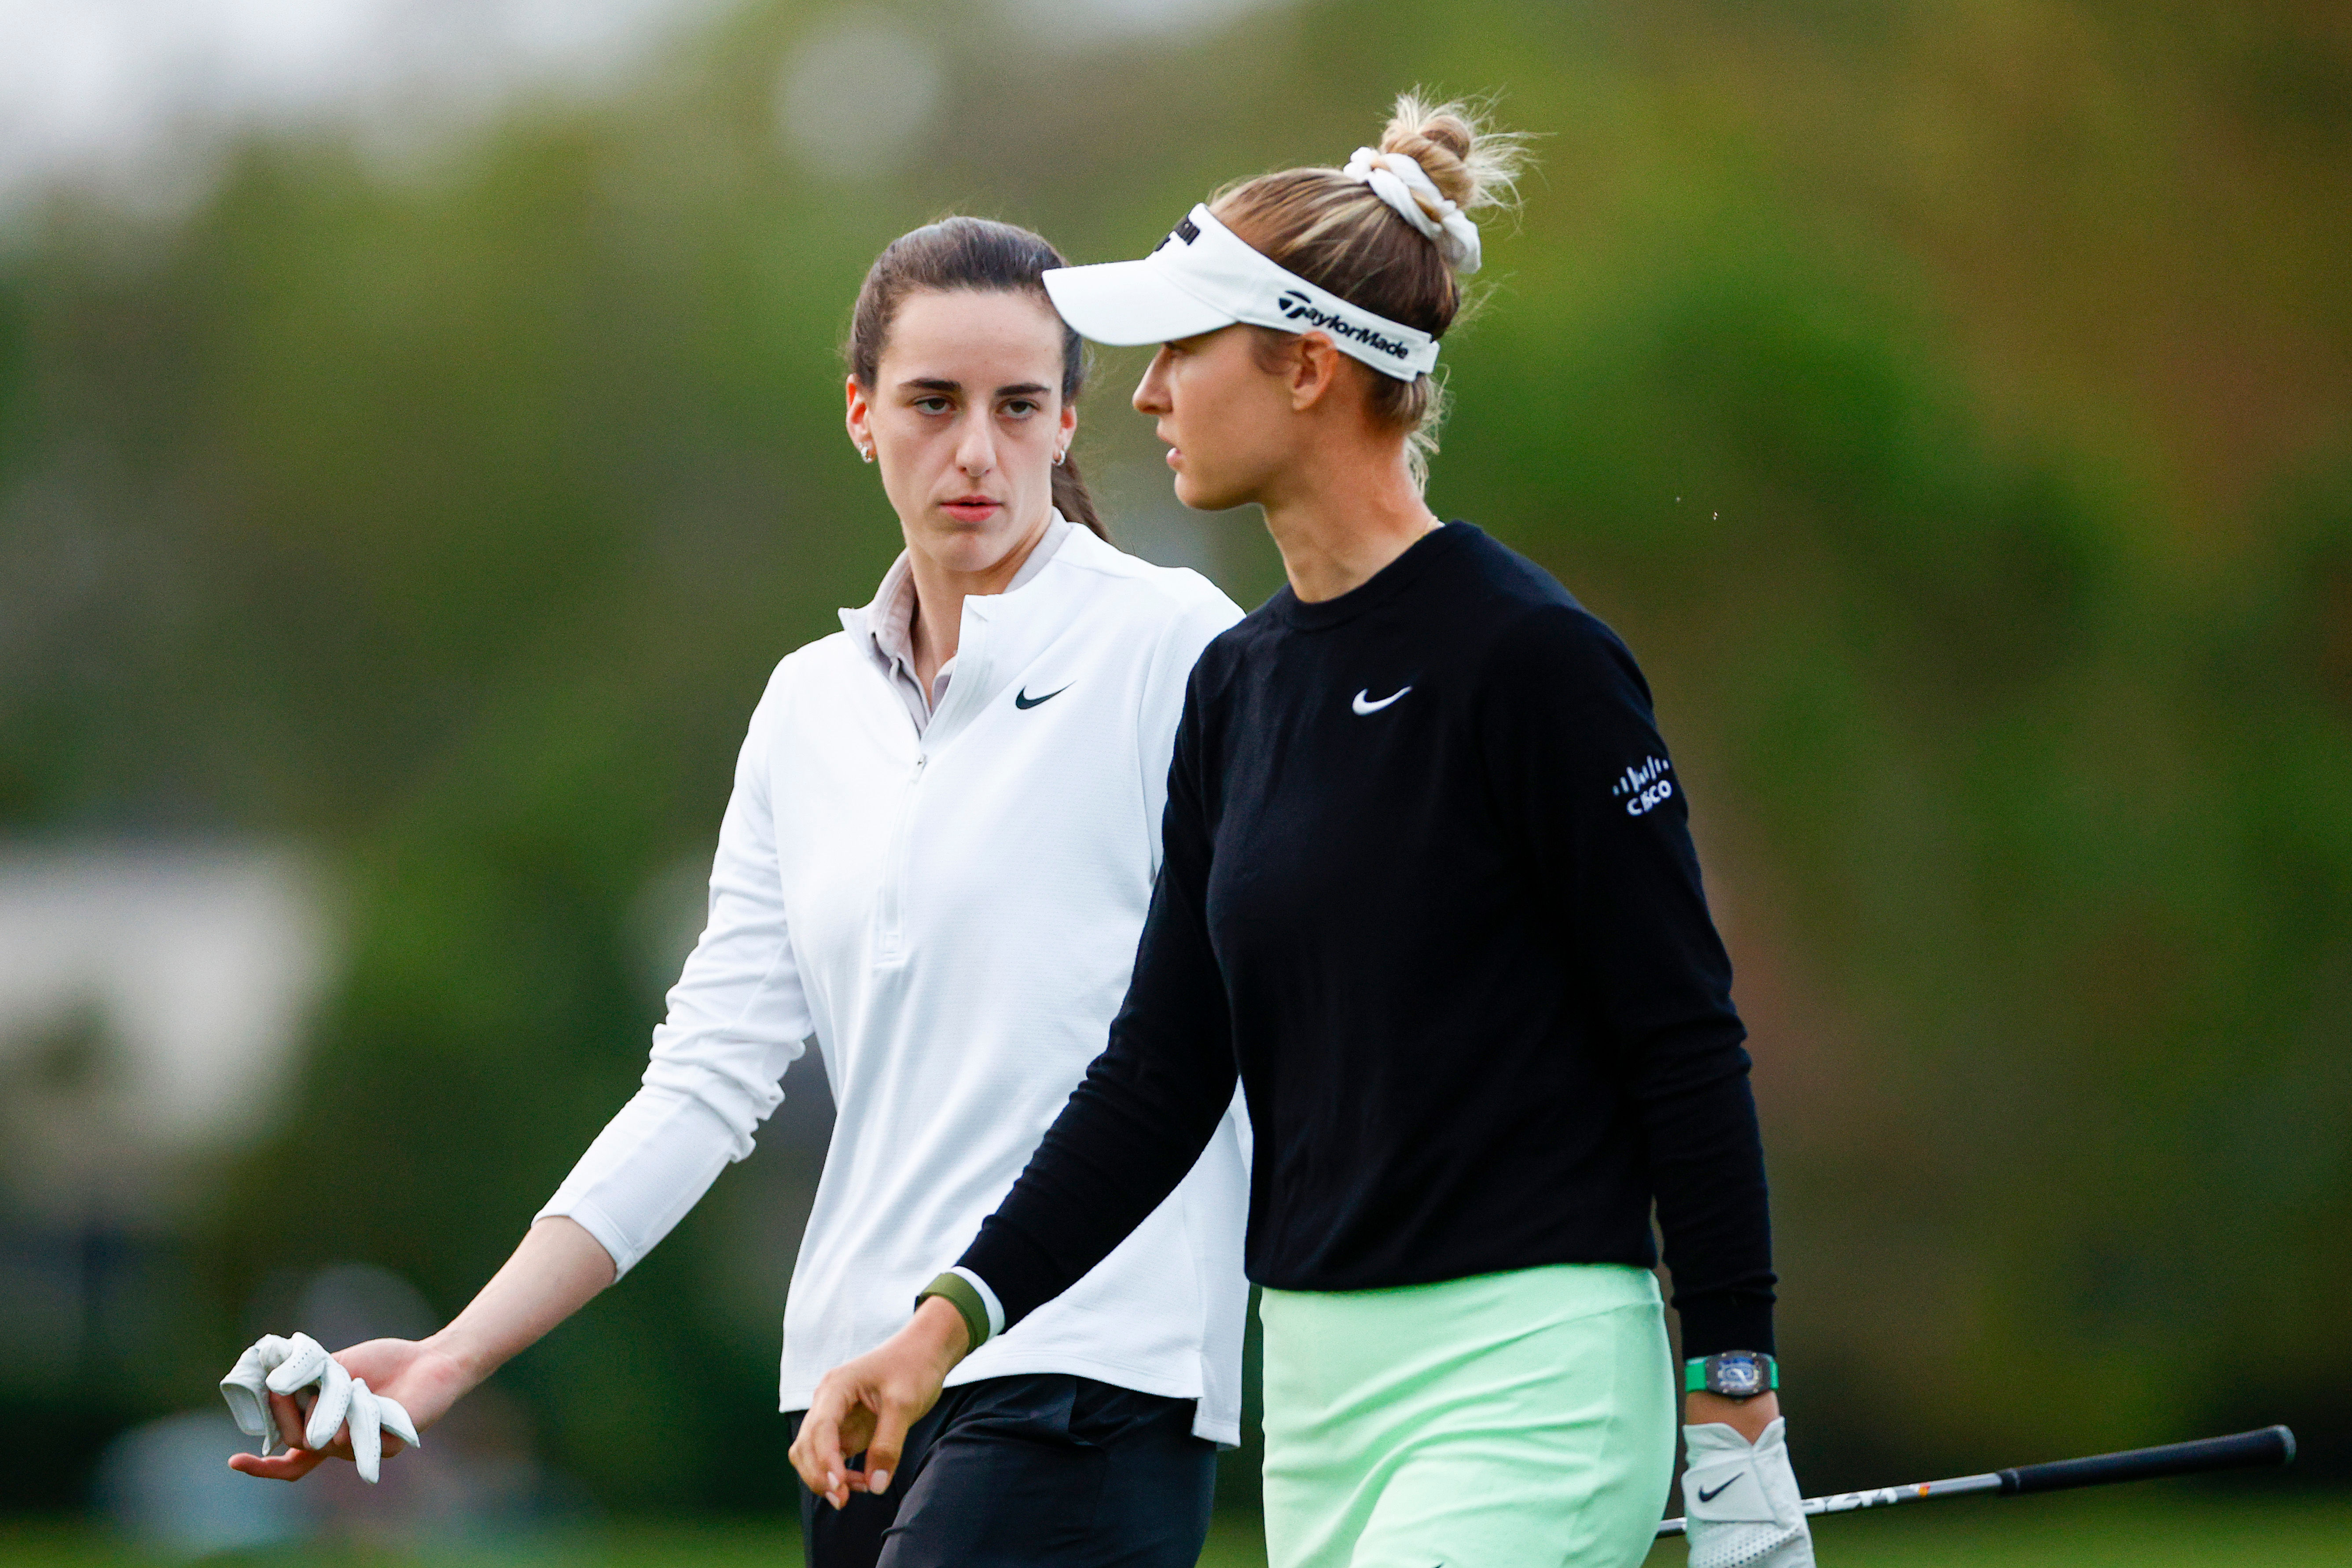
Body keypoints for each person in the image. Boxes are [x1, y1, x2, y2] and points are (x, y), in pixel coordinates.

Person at [790, 99, 1816, 1568]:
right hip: (1319, 1399)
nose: (1144, 399)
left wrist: (1734, 1393)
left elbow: (1683, 1040)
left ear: (1311, 369)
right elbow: (1160, 1073)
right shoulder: (1239, 687)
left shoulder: (1529, 660)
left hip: (1531, 1370)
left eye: (1182, 354)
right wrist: (941, 1328)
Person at [220, 217, 1255, 1568]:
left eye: (1018, 407)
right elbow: (704, 1083)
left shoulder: (1175, 646)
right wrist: (454, 1355)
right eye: (932, 403)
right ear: (860, 415)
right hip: (849, 1394)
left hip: (1097, 1359)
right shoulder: (805, 709)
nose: (976, 450)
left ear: (1068, 422)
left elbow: (1292, 1000)